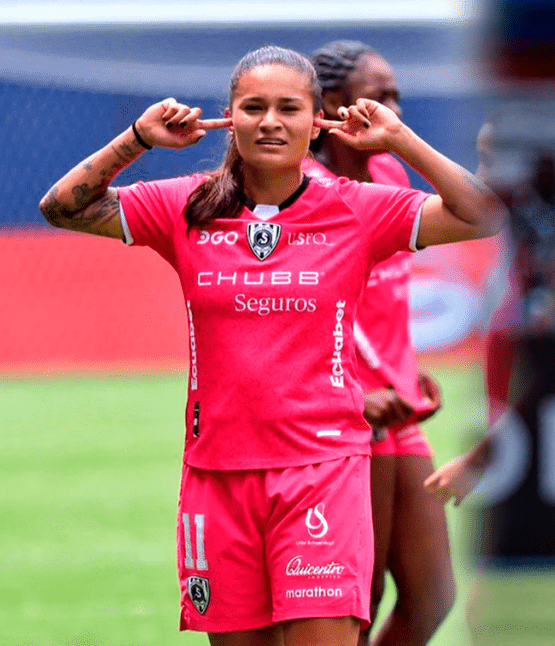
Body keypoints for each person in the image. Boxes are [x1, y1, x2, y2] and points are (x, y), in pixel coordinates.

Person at [39, 45, 505, 646]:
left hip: (323, 473)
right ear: (228, 117)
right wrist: (136, 139)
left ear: (318, 121)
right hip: (216, 481)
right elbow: (62, 207)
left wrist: (399, 140)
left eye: (289, 108)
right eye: (252, 107)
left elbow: (483, 214)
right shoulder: (183, 204)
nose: (269, 121)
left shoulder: (357, 209)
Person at [304, 39, 456, 646]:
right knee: (356, 600)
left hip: (397, 408)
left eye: (398, 93)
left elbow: (382, 302)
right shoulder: (303, 192)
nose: (395, 105)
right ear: (337, 104)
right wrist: (349, 394)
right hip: (340, 414)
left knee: (432, 595)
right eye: (381, 94)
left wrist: (405, 370)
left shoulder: (389, 172)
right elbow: (293, 311)